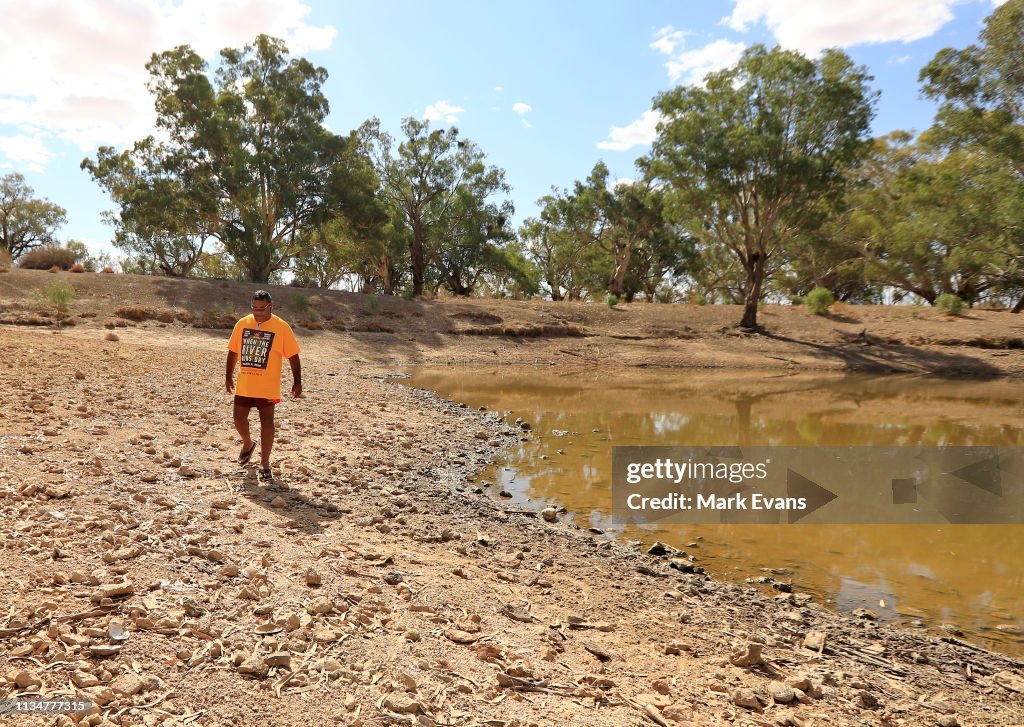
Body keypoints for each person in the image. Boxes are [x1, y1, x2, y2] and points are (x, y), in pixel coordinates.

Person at [225, 290, 302, 480]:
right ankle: (248, 443)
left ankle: (265, 463)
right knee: (238, 419)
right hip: (246, 382)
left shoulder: (281, 327)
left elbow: (293, 356)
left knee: (267, 422)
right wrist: (228, 376)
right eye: (254, 308)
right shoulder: (242, 324)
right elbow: (233, 351)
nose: (258, 312)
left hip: (267, 385)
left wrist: (297, 381)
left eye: (262, 308)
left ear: (271, 306)